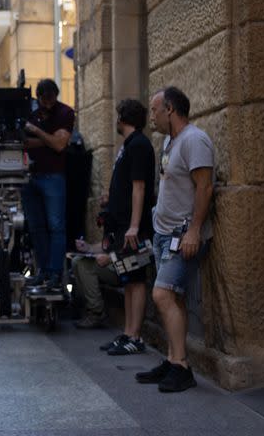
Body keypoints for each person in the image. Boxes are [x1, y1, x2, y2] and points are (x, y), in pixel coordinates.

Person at [135, 86, 214, 393]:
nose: (151, 116)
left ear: (169, 109)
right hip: (163, 234)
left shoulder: (195, 140)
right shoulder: (170, 141)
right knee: (174, 298)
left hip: (183, 236)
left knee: (162, 295)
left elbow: (205, 188)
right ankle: (172, 360)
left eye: (154, 110)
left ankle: (182, 366)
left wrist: (194, 231)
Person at [71, 100, 156, 356]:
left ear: (122, 118)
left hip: (132, 229)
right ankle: (128, 333)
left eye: (117, 116)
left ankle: (135, 336)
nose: (115, 121)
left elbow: (140, 187)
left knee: (136, 280)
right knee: (128, 280)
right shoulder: (128, 146)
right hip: (121, 228)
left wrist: (133, 226)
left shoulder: (139, 145)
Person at [22, 78, 75, 289]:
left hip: (53, 176)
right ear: (38, 98)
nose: (48, 104)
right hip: (31, 176)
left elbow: (60, 145)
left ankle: (54, 273)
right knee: (37, 228)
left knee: (56, 227)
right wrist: (49, 140)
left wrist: (37, 132)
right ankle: (43, 271)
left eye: (51, 99)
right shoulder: (32, 114)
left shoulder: (65, 113)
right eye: (44, 100)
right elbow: (25, 143)